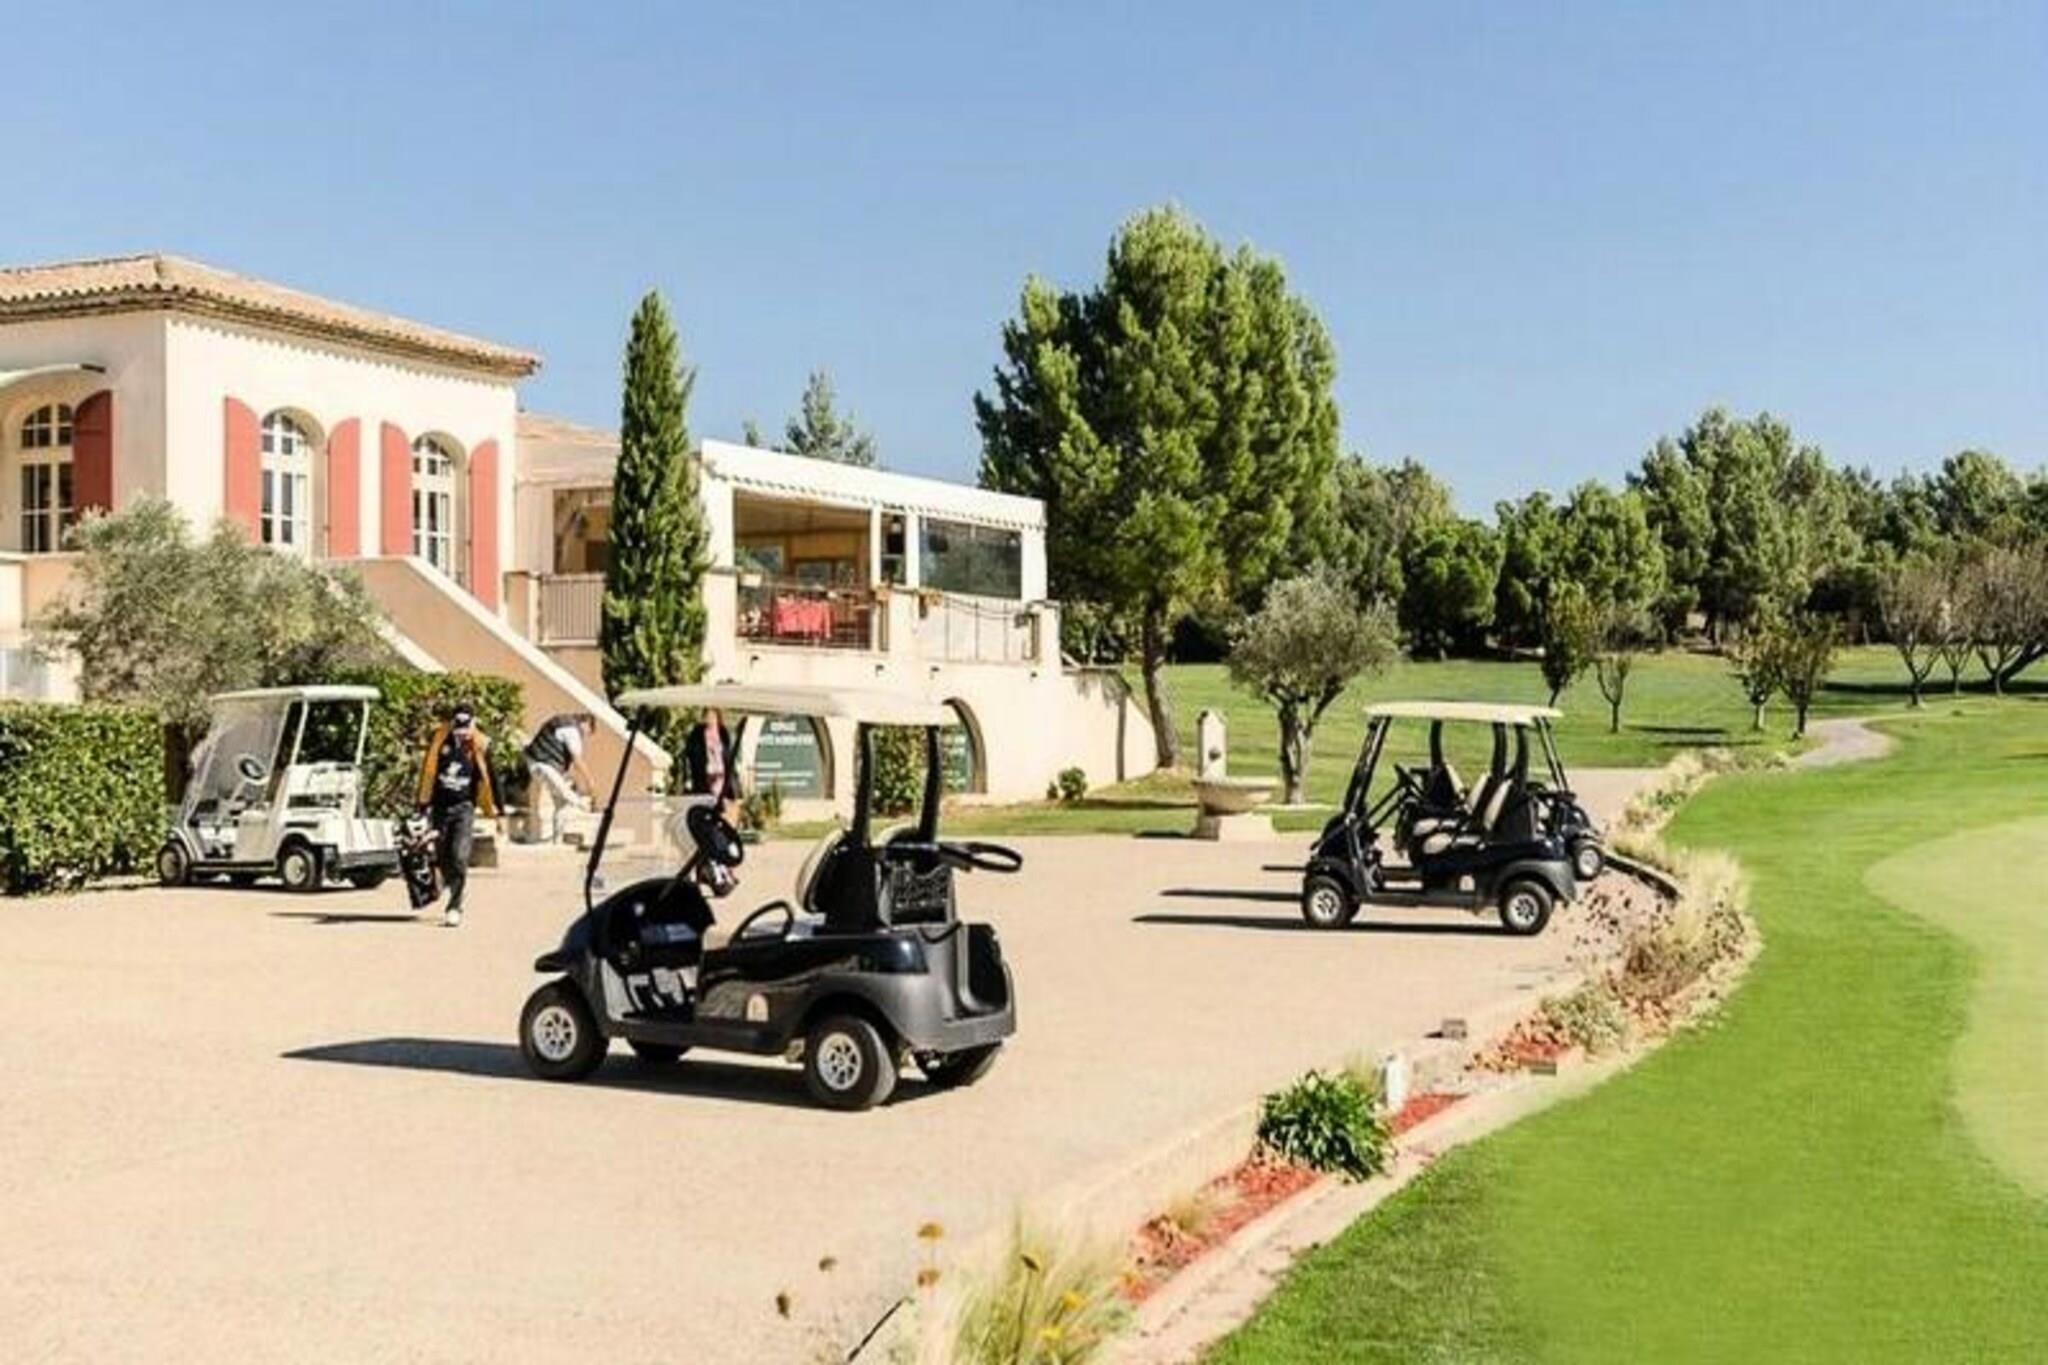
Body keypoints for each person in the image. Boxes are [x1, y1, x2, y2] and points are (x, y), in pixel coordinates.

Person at [414, 703, 497, 927]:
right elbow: (428, 775)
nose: (462, 732)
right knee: (443, 856)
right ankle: (448, 884)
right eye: (458, 727)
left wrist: (496, 808)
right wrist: (422, 806)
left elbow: (490, 776)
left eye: (466, 727)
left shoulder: (480, 744)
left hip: (464, 808)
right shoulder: (439, 741)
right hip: (440, 808)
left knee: (459, 856)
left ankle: (454, 906)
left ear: (474, 723)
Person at [523, 711, 597, 841]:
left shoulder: (562, 723)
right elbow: (577, 760)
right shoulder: (572, 729)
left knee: (561, 803)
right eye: (588, 732)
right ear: (586, 724)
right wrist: (590, 781)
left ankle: (557, 839)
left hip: (537, 761)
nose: (584, 736)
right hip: (543, 764)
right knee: (565, 793)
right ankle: (586, 807)